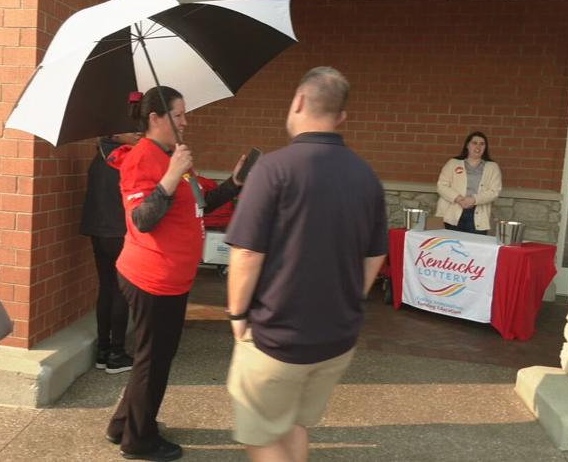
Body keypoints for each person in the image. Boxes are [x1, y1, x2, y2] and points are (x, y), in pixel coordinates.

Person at [224, 67, 388, 462]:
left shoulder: (274, 169)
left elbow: (246, 254)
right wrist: (349, 300)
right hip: (336, 339)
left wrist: (237, 315)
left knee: (262, 435)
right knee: (293, 422)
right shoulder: (367, 177)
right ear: (342, 117)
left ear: (298, 101)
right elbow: (375, 254)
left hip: (277, 338)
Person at [105, 86, 244, 461]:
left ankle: (124, 425)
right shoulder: (141, 159)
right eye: (179, 115)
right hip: (152, 278)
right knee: (155, 360)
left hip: (172, 277)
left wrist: (234, 183)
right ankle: (140, 440)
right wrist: (171, 176)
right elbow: (142, 219)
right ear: (155, 119)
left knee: (154, 357)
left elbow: (201, 205)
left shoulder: (172, 156)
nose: (186, 121)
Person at [80, 132, 142, 374]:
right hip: (118, 231)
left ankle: (103, 351)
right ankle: (116, 353)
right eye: (131, 128)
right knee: (120, 291)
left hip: (99, 231)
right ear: (115, 133)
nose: (138, 133)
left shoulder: (99, 157)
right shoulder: (122, 158)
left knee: (106, 288)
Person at [435, 131, 502, 235]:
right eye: (474, 143)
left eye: (482, 144)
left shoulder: (492, 167)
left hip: (477, 214)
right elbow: (441, 185)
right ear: (467, 145)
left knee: (475, 247)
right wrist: (459, 199)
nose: (478, 146)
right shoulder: (453, 163)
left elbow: (494, 191)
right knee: (450, 245)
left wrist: (474, 200)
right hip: (453, 211)